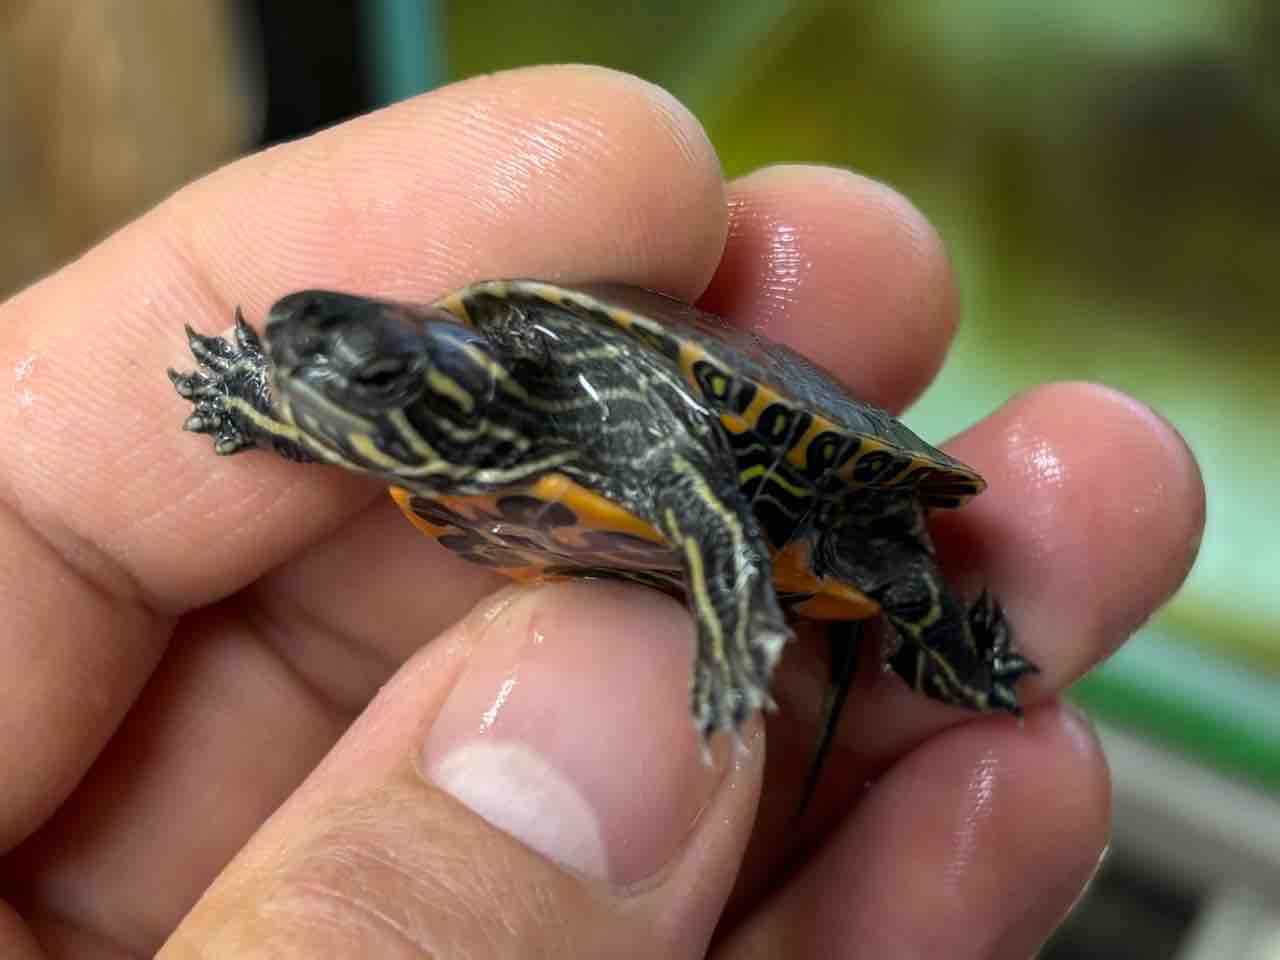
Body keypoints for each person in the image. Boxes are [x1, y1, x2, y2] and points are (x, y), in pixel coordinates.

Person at [0, 65, 1203, 958]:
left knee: (884, 565)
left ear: (451, 371)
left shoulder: (600, 390)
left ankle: (947, 652)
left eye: (364, 378)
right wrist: (261, 400)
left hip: (794, 500)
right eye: (299, 357)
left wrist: (731, 652)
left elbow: (710, 510)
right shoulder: (443, 435)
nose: (310, 378)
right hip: (574, 534)